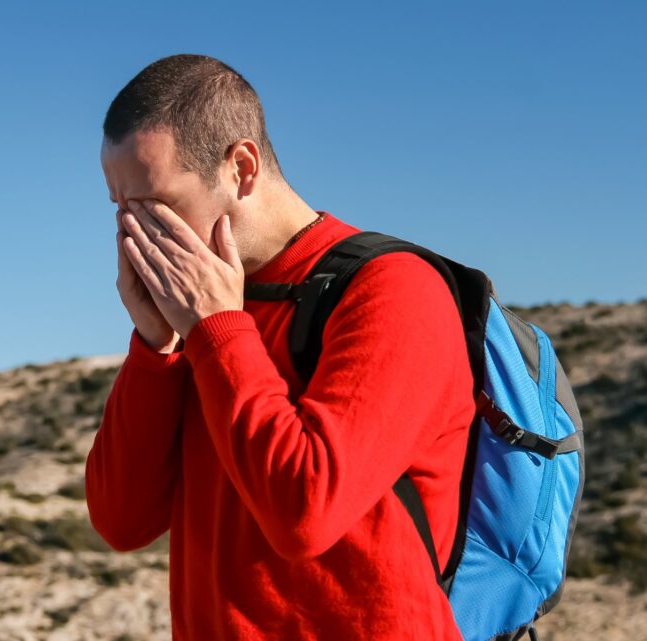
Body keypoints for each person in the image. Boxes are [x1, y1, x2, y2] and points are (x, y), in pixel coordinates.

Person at [85, 53, 476, 640]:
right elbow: (121, 520)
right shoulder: (200, 314)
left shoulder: (393, 289)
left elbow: (304, 513)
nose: (134, 234)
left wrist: (216, 328)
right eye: (120, 208)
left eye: (153, 206)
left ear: (241, 168)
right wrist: (154, 347)